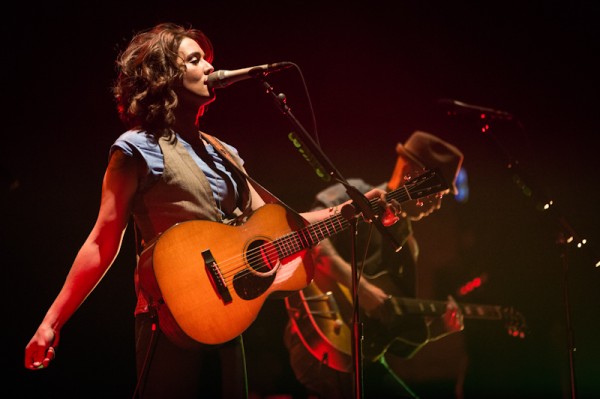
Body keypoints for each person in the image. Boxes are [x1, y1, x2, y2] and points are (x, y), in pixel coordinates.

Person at [23, 22, 400, 399]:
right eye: (195, 59)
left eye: (208, 60)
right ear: (165, 76)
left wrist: (351, 210)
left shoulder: (226, 153)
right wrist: (52, 322)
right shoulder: (135, 148)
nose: (209, 68)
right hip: (169, 318)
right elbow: (102, 241)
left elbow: (277, 226)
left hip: (227, 317)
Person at [284, 131, 465, 399]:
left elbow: (394, 336)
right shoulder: (353, 194)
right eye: (438, 191)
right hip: (320, 343)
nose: (438, 204)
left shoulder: (407, 246)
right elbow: (310, 238)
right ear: (412, 173)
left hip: (363, 360)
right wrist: (362, 289)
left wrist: (439, 328)